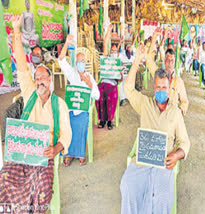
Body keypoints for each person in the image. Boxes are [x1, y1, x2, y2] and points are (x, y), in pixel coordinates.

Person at [0, 15, 71, 213]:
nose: (39, 81)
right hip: (22, 153)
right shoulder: (30, 93)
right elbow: (22, 65)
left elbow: (66, 133)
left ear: (50, 81)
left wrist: (56, 148)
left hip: (43, 155)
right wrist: (16, 30)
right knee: (5, 178)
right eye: (36, 77)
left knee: (40, 189)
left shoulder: (60, 105)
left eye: (42, 78)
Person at [120, 45, 190, 213]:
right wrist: (137, 60)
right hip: (142, 161)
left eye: (164, 88)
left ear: (169, 89)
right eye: (157, 87)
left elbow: (185, 142)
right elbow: (128, 88)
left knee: (162, 197)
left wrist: (176, 155)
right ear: (154, 87)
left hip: (163, 164)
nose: (160, 91)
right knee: (127, 186)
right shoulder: (145, 104)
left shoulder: (175, 112)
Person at [58, 35, 100, 166]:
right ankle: (68, 154)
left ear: (86, 63)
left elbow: (97, 96)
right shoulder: (72, 74)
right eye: (78, 61)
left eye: (83, 61)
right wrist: (66, 44)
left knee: (81, 124)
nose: (81, 63)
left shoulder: (89, 77)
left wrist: (90, 85)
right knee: (66, 125)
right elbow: (61, 60)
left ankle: (80, 153)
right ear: (75, 64)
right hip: (71, 109)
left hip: (83, 111)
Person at [147, 27, 189, 116]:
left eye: (172, 60)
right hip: (158, 114)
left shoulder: (178, 81)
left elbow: (185, 102)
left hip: (172, 116)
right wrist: (154, 36)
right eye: (167, 60)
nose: (169, 63)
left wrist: (179, 112)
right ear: (164, 61)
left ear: (175, 63)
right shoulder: (158, 74)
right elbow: (149, 61)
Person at [96, 24, 122, 130]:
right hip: (103, 82)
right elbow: (105, 45)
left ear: (117, 53)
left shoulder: (118, 63)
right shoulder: (107, 59)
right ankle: (102, 120)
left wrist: (119, 74)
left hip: (112, 84)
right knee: (99, 93)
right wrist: (108, 33)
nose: (113, 52)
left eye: (115, 51)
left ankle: (110, 120)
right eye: (112, 51)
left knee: (111, 95)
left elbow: (120, 79)